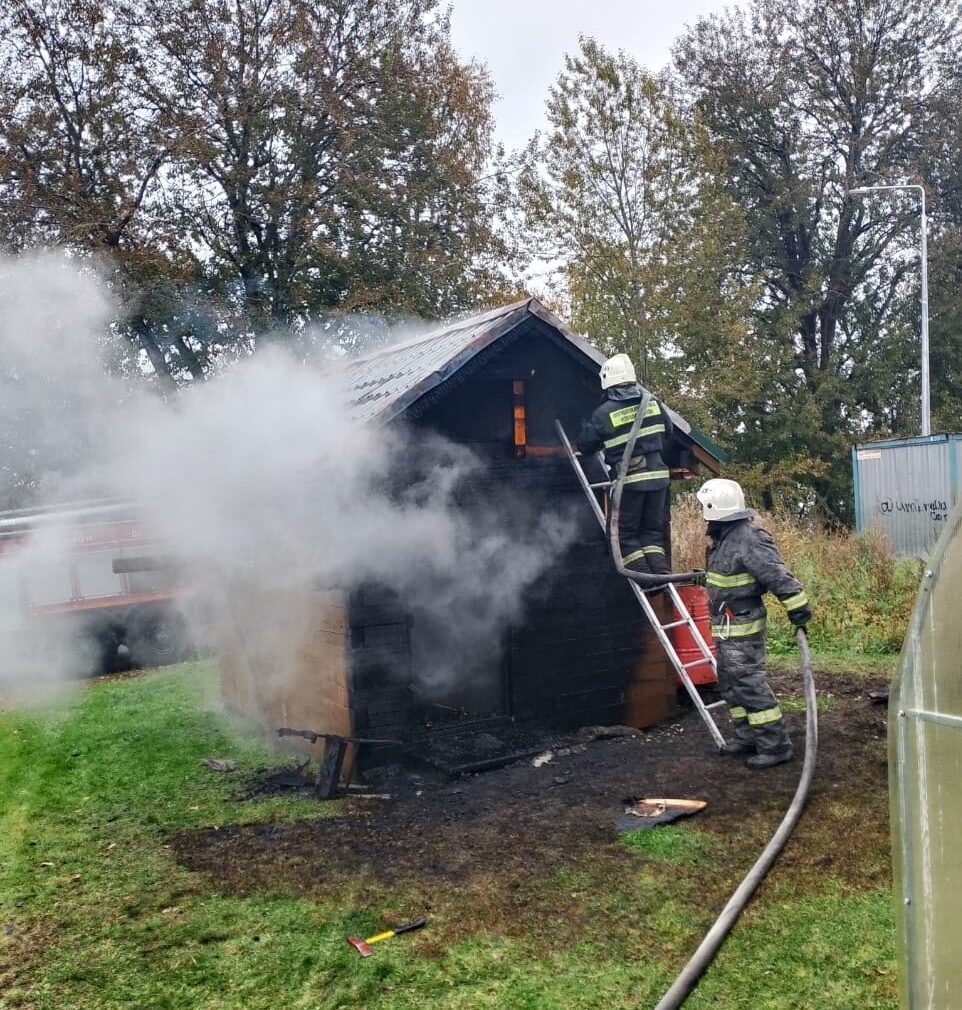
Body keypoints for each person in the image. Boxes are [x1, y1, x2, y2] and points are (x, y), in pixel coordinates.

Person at [696, 477, 812, 769]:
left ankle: (775, 745)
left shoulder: (749, 539)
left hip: (742, 625)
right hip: (725, 624)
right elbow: (728, 577)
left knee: (748, 684)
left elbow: (777, 576)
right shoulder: (724, 539)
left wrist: (797, 608)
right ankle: (747, 736)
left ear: (714, 508)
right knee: (730, 684)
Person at [577, 353, 671, 577]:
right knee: (651, 533)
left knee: (624, 534)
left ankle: (646, 581)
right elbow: (670, 431)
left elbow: (586, 446)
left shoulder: (603, 413)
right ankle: (661, 575)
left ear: (607, 382)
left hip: (631, 482)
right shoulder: (654, 404)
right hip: (659, 479)